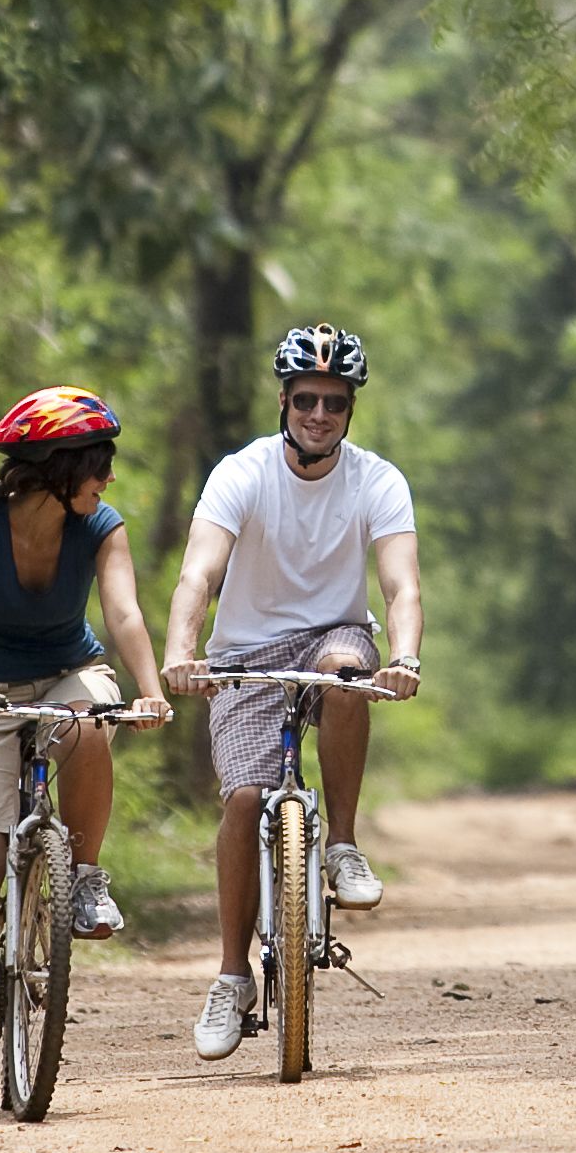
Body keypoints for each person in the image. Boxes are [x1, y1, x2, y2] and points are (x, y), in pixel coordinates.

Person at [162, 322, 424, 1061]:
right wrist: (181, 653)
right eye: (306, 399)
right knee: (245, 800)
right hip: (245, 653)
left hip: (334, 634)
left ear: (350, 410)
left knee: (346, 674)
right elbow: (198, 574)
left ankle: (341, 846)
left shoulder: (377, 480)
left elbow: (401, 585)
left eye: (334, 403)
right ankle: (231, 975)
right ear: (283, 401)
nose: (319, 414)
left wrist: (404, 656)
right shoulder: (241, 473)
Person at [0, 385, 172, 1090]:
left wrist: (149, 688)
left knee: (87, 724)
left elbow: (123, 614)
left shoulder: (101, 527)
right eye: (99, 464)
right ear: (59, 469)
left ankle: (84, 877)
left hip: (69, 675)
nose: (108, 478)